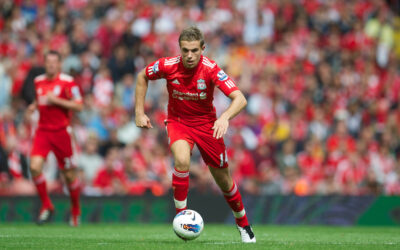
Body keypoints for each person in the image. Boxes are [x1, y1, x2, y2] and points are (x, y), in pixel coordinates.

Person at [135, 26, 256, 243]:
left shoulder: (211, 69)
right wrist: (139, 112)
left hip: (208, 125)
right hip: (178, 122)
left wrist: (224, 117)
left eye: (194, 50)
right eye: (185, 50)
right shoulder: (167, 65)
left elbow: (240, 98)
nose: (189, 55)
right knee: (181, 160)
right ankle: (181, 218)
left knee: (224, 180)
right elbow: (142, 76)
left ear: (203, 49)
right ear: (179, 49)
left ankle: (243, 223)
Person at [28, 50, 83, 226]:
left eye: (54, 62)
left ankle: (75, 209)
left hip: (61, 132)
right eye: (48, 62)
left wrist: (57, 101)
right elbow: (41, 100)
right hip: (42, 131)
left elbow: (79, 106)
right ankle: (47, 205)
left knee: (68, 175)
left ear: (59, 64)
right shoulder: (38, 81)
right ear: (45, 63)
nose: (51, 65)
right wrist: (33, 106)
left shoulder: (68, 82)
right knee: (34, 167)